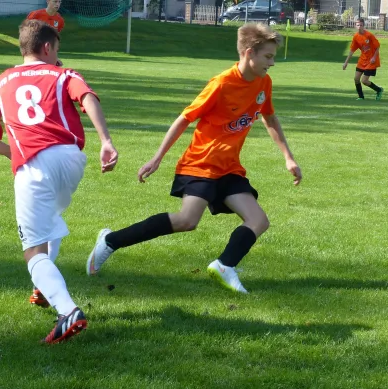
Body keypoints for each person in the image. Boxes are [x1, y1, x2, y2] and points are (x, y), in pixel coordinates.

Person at [86, 22, 302, 294]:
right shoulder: (221, 84)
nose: (272, 63)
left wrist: (288, 157)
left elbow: (269, 118)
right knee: (187, 221)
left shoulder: (264, 82)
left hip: (229, 168)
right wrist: (157, 158)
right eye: (268, 56)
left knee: (259, 220)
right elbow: (184, 119)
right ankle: (110, 241)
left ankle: (224, 266)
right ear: (249, 53)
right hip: (200, 164)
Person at [0, 19, 118, 343]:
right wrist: (106, 141)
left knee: (33, 250)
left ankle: (67, 312)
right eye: (56, 50)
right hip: (71, 159)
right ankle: (43, 288)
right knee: (51, 219)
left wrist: (15, 152)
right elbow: (87, 97)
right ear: (47, 47)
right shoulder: (63, 74)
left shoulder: (2, 81)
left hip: (34, 166)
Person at [342, 18, 384, 101]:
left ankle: (379, 90)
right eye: (358, 25)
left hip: (371, 61)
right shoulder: (356, 37)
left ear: (363, 26)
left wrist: (374, 57)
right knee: (356, 79)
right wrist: (346, 62)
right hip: (362, 60)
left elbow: (377, 46)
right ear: (355, 26)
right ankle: (361, 97)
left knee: (364, 81)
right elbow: (352, 50)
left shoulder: (369, 35)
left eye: (361, 25)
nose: (359, 27)